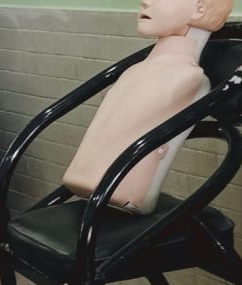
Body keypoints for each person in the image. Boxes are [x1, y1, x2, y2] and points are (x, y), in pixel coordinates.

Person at [63, 0, 232, 213]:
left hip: (119, 195)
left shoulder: (186, 77)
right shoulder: (135, 71)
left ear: (199, 8)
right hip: (96, 192)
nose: (144, 2)